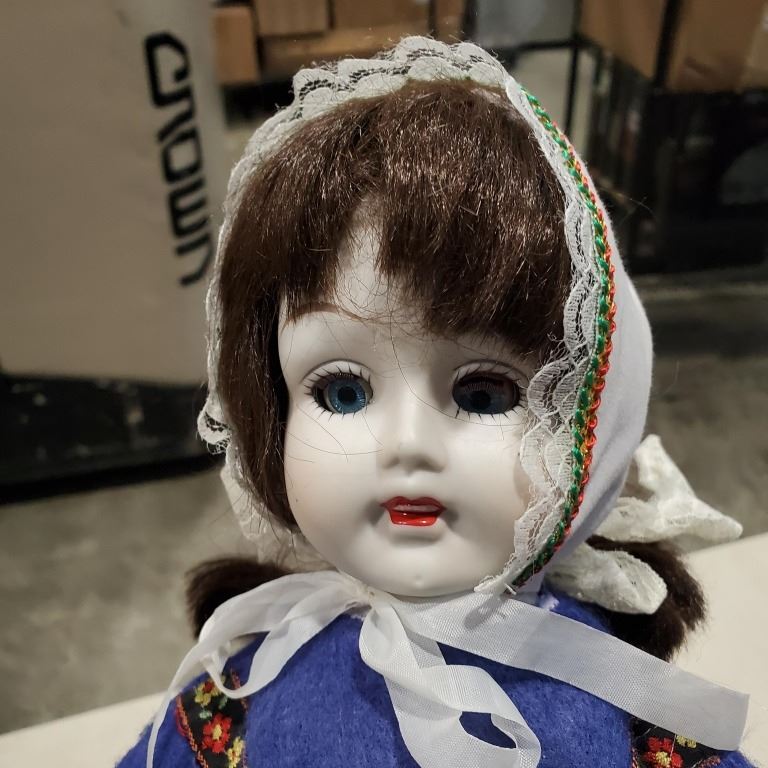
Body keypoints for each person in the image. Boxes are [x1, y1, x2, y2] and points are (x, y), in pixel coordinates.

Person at [117, 37, 753, 768]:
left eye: (484, 392)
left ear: (594, 425)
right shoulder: (258, 674)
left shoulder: (605, 683)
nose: (406, 444)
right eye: (342, 392)